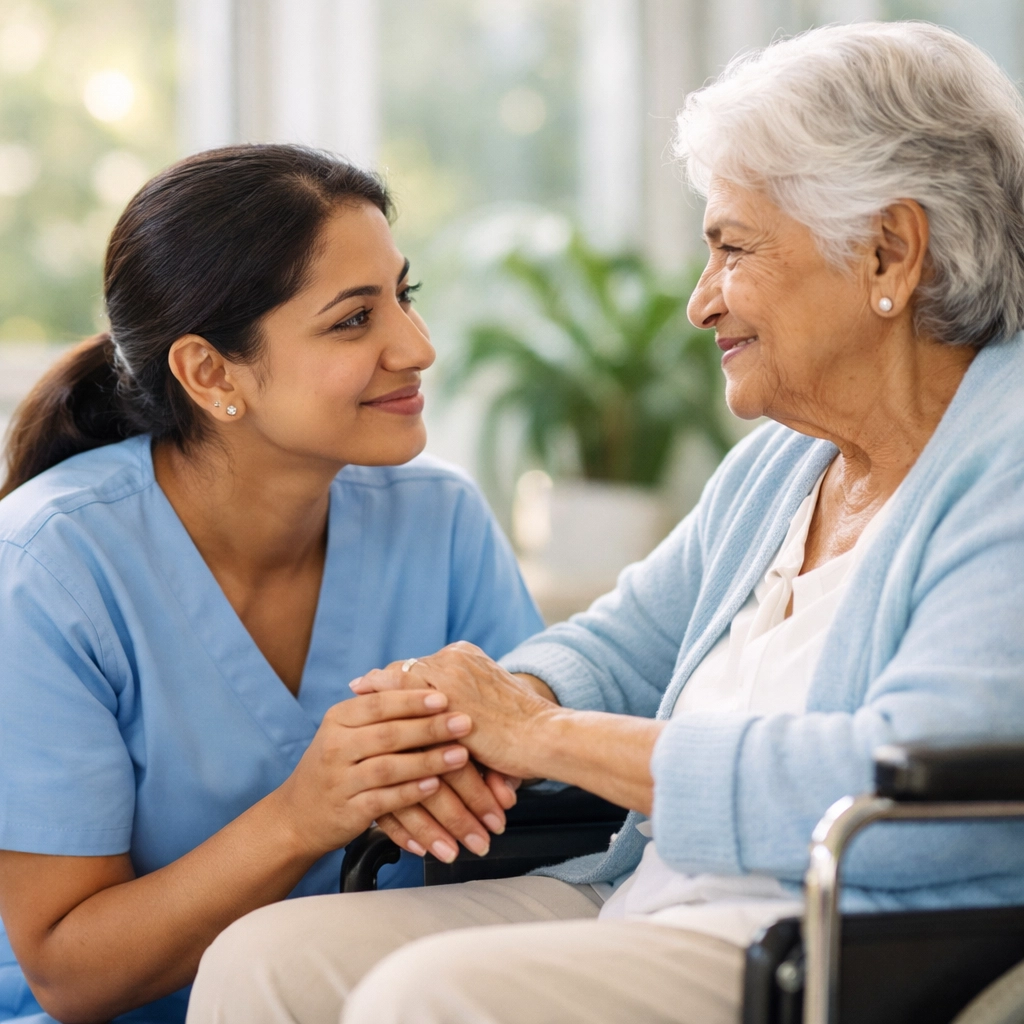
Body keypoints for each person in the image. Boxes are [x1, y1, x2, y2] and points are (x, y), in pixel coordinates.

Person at [185, 21, 1024, 1024]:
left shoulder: (1002, 462)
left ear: (889, 252)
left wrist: (544, 733)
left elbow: (913, 794)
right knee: (264, 961)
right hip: (653, 895)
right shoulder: (786, 462)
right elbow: (621, 643)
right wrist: (470, 721)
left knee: (431, 998)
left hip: (838, 941)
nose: (699, 303)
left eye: (731, 249)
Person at [0, 144, 544, 1023]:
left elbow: (534, 809)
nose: (417, 347)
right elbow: (68, 973)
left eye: (403, 297)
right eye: (352, 321)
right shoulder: (46, 570)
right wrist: (305, 813)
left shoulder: (437, 519)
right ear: (211, 373)